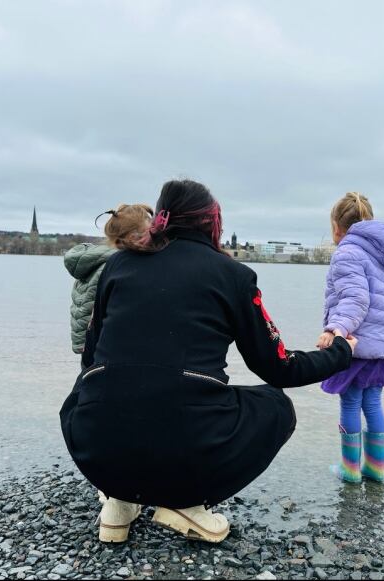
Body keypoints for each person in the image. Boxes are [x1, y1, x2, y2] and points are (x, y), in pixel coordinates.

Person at [60, 180, 356, 544]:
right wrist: (341, 351)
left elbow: (89, 357)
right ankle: (187, 502)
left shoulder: (119, 265)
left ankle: (119, 502)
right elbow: (279, 367)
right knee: (276, 405)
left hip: (95, 448)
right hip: (184, 448)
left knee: (97, 389)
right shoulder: (232, 275)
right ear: (210, 222)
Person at [316, 192, 384, 484]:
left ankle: (350, 470)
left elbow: (356, 299)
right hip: (382, 348)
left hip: (355, 345)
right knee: (373, 404)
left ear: (336, 227)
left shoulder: (347, 252)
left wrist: (336, 330)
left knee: (351, 404)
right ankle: (377, 469)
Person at [63, 204, 154, 356]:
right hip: (98, 348)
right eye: (149, 233)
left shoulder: (94, 261)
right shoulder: (114, 268)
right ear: (133, 237)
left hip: (86, 344)